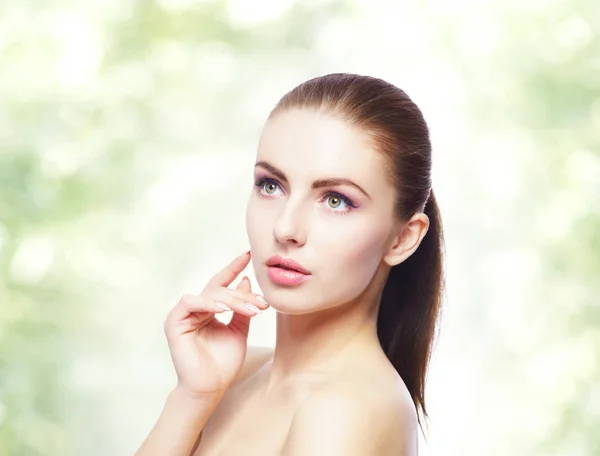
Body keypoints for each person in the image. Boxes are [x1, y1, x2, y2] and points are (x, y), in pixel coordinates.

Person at [134, 73, 445, 456]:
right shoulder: (238, 371)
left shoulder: (345, 408)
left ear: (403, 238)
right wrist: (192, 396)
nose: (285, 228)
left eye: (336, 200)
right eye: (271, 185)